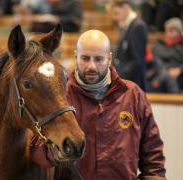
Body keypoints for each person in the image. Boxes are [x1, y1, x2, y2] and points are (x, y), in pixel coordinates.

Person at [31, 29, 166, 179]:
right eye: (85, 58)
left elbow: (153, 156)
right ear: (76, 56)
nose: (91, 66)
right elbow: (36, 149)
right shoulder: (60, 97)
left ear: (109, 58)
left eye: (98, 59)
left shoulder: (133, 95)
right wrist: (53, 153)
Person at [111, 0, 148, 90]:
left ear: (125, 8)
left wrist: (118, 76)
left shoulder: (138, 26)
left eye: (117, 13)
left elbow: (137, 60)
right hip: (125, 80)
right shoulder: (127, 25)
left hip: (132, 82)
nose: (115, 18)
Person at [152, 17, 183, 91]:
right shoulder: (159, 44)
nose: (168, 33)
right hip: (161, 72)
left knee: (169, 79)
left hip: (181, 76)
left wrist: (180, 69)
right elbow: (155, 60)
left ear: (179, 32)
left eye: (171, 30)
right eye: (166, 30)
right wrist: (167, 70)